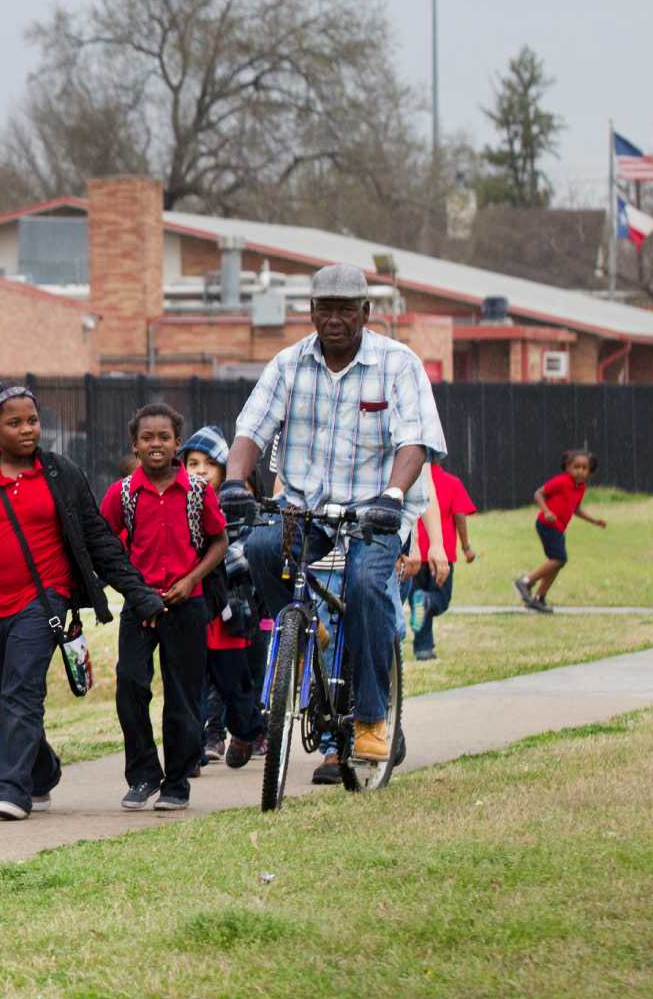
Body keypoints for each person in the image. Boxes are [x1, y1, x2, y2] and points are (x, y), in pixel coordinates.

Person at [223, 263, 447, 782]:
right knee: (258, 549)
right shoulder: (287, 364)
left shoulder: (398, 364)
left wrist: (393, 495)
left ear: (366, 313)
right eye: (326, 308)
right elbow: (251, 431)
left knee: (367, 586)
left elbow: (413, 441)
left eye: (347, 309)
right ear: (311, 312)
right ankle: (309, 631)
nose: (335, 319)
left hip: (375, 511)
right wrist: (235, 481)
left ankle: (370, 717)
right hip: (305, 506)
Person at [0, 382, 164, 821]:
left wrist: (139, 593)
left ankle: (10, 791)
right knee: (5, 698)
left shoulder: (61, 474)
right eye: (15, 422)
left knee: (23, 689)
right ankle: (42, 770)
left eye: (33, 421)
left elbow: (99, 540)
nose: (27, 430)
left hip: (44, 601)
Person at [99, 404, 228, 812]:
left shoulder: (197, 491)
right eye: (147, 438)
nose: (156, 444)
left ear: (177, 443)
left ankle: (176, 783)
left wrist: (192, 580)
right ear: (135, 445)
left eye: (164, 437)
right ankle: (142, 775)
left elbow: (218, 542)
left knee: (183, 697)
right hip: (140, 608)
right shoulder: (121, 494)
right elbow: (105, 545)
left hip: (186, 605)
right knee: (131, 687)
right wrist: (136, 591)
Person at [171, 428, 265, 771]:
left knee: (234, 685)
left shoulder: (236, 506)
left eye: (210, 464)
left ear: (226, 470)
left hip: (229, 614)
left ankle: (245, 732)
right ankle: (190, 752)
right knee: (189, 686)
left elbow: (244, 553)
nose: (199, 470)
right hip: (190, 612)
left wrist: (206, 562)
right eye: (192, 463)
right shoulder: (178, 503)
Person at [402, 462, 476, 660]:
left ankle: (423, 650)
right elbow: (460, 516)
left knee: (418, 602)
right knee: (440, 599)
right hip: (440, 552)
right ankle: (426, 602)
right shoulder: (452, 482)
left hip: (414, 551)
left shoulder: (408, 478)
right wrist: (466, 546)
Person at [519, 450, 604, 615]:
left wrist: (594, 521)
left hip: (558, 528)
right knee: (559, 559)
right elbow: (538, 494)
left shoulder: (581, 487)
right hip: (546, 524)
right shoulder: (561, 481)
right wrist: (547, 511)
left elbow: (576, 509)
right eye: (576, 467)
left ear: (590, 471)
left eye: (584, 468)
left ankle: (539, 598)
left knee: (558, 562)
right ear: (567, 467)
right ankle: (525, 582)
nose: (580, 471)